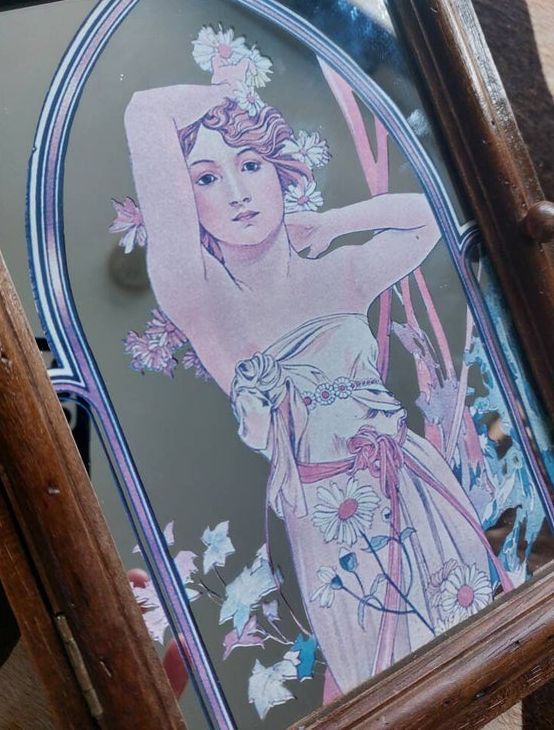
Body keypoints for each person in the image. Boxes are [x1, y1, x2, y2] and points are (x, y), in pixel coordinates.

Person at [123, 49, 510, 696]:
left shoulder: (341, 274)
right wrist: (228, 93)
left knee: (486, 653)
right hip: (332, 526)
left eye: (251, 165)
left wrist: (333, 224)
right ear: (186, 204)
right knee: (390, 694)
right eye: (207, 178)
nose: (238, 191)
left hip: (420, 487)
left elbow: (431, 217)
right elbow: (144, 111)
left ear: (282, 174)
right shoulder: (205, 303)